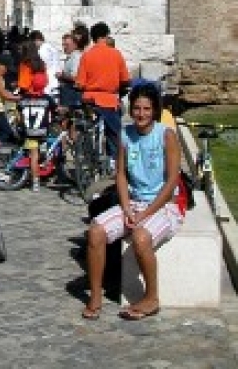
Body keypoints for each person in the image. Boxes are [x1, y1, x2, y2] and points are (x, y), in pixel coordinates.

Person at [82, 82, 183, 320]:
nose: (141, 114)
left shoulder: (166, 136)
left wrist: (144, 216)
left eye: (147, 109)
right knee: (96, 232)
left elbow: (171, 184)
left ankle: (151, 298)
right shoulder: (125, 135)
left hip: (163, 205)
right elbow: (121, 174)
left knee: (140, 237)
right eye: (136, 108)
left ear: (155, 110)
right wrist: (127, 207)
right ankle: (95, 295)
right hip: (134, 202)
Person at [75, 21, 131, 158]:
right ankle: (114, 161)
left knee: (87, 127)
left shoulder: (86, 56)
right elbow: (125, 80)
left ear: (93, 38)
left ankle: (87, 154)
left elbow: (80, 83)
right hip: (109, 100)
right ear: (106, 36)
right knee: (115, 134)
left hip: (89, 100)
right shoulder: (116, 54)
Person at [18, 71, 57, 193]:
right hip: (42, 131)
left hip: (29, 131)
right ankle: (36, 181)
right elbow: (55, 110)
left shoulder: (24, 98)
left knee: (34, 155)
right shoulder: (47, 99)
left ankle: (37, 180)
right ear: (45, 85)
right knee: (35, 156)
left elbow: (19, 114)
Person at [29, 29, 61, 99]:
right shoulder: (51, 47)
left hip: (47, 84)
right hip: (54, 82)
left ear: (36, 40)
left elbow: (40, 67)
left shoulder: (42, 51)